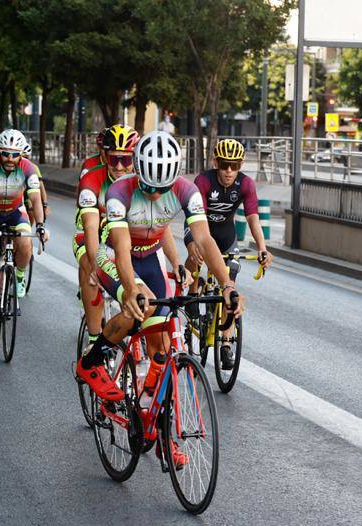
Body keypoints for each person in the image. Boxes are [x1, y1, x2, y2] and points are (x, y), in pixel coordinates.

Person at [75, 131, 243, 467]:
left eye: (161, 188)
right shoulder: (120, 192)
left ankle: (160, 428)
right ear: (138, 173)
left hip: (150, 258)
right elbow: (121, 249)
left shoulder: (187, 190)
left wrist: (226, 284)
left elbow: (206, 240)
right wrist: (131, 289)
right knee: (142, 303)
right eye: (148, 187)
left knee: (162, 350)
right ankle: (91, 361)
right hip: (116, 256)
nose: (154, 195)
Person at [184, 138, 272, 368]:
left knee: (229, 286)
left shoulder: (245, 184)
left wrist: (262, 248)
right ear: (215, 162)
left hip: (226, 236)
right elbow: (196, 219)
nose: (229, 171)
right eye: (224, 164)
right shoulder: (203, 181)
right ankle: (193, 293)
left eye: (235, 165)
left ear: (241, 164)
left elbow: (253, 218)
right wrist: (193, 243)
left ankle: (225, 344)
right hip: (199, 227)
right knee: (196, 256)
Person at [0, 128, 47, 339]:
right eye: (5, 153)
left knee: (25, 244)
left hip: (16, 213)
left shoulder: (29, 169)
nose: (10, 158)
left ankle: (20, 276)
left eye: (15, 154)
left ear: (21, 154)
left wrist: (40, 225)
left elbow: (35, 200)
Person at [73, 124, 138, 350]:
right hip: (92, 236)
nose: (120, 166)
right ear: (104, 155)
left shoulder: (140, 181)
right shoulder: (91, 176)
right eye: (114, 159)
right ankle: (93, 340)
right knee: (92, 270)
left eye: (126, 160)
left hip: (121, 240)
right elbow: (90, 229)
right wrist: (94, 266)